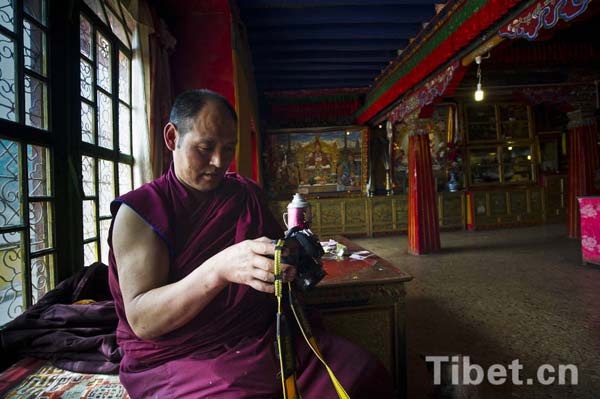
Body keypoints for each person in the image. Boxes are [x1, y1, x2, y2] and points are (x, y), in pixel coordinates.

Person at [108, 89, 393, 398]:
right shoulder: (141, 213)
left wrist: (291, 255)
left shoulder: (244, 195)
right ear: (171, 137)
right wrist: (219, 269)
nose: (218, 162)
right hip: (182, 354)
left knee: (361, 371)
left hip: (257, 337)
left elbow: (272, 253)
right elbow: (143, 320)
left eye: (228, 149)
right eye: (205, 148)